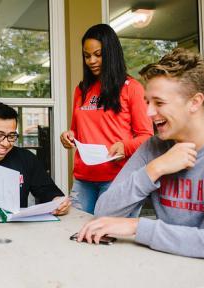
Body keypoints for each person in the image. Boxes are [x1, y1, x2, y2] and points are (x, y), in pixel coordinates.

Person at [76, 48, 204, 272]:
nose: (148, 112)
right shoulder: (154, 147)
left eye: (158, 103)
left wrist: (139, 227)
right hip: (166, 270)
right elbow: (104, 211)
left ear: (195, 102)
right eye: (147, 102)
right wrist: (155, 169)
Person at [60, 24, 153, 214]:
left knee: (108, 236)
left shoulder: (131, 87)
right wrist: (68, 136)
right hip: (83, 178)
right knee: (73, 233)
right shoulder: (81, 90)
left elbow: (147, 136)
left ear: (110, 53)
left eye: (98, 54)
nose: (92, 61)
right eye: (87, 56)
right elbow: (76, 131)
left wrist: (125, 146)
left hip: (117, 178)